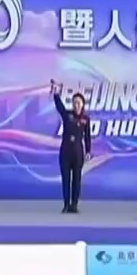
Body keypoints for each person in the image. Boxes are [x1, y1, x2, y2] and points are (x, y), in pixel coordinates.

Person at [51, 80, 91, 213]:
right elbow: (60, 107)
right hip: (65, 152)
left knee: (77, 179)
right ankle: (66, 204)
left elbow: (87, 136)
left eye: (79, 103)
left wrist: (88, 151)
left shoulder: (86, 119)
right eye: (74, 103)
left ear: (83, 104)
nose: (76, 105)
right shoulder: (67, 115)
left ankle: (74, 204)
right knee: (66, 179)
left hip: (78, 153)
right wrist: (56, 94)